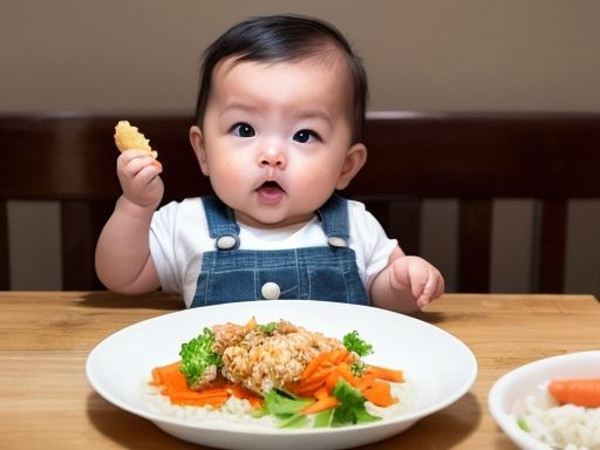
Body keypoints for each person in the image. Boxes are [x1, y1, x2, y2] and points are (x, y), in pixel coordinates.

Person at [95, 14, 444, 313]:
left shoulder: (356, 226)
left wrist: (403, 285)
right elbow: (123, 277)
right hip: (218, 391)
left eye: (304, 135)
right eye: (244, 129)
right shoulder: (185, 224)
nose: (272, 155)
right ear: (203, 151)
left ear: (345, 167)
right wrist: (136, 206)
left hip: (332, 388)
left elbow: (385, 300)